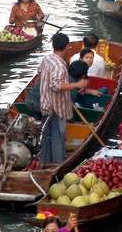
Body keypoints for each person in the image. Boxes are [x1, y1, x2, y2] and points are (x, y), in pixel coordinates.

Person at [37, 33, 88, 165]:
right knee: (58, 137)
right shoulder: (59, 66)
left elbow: (41, 75)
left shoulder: (47, 59)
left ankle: (44, 161)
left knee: (46, 137)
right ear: (66, 47)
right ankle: (57, 164)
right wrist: (77, 84)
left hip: (45, 103)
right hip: (56, 108)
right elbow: (56, 86)